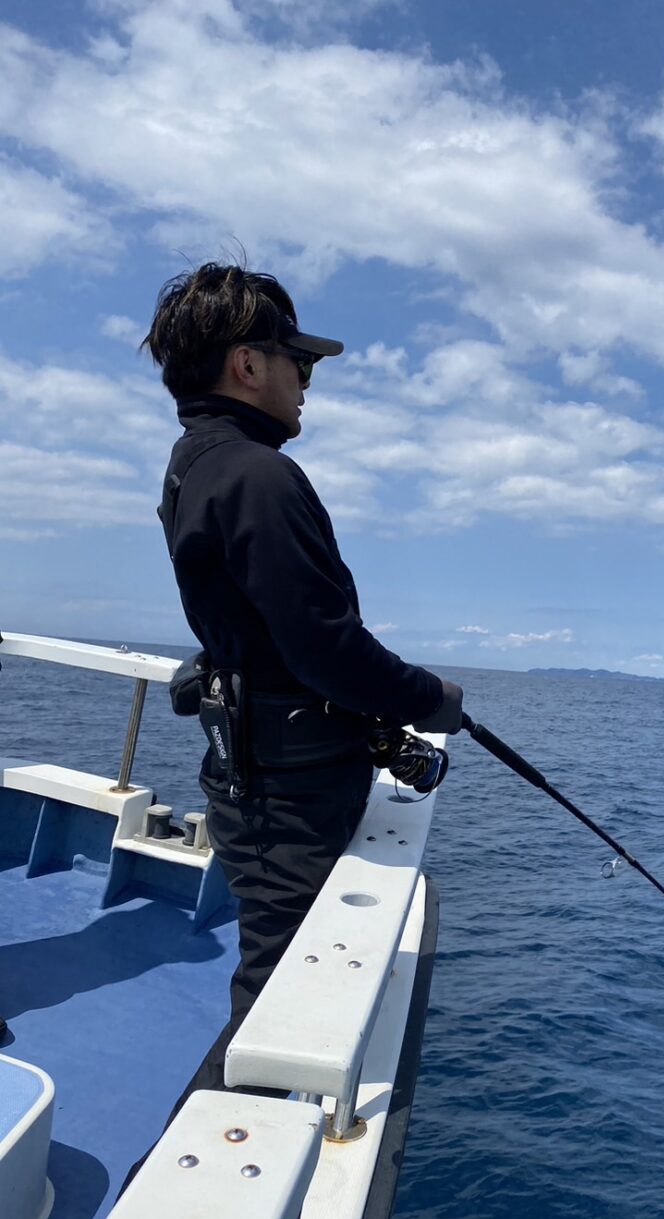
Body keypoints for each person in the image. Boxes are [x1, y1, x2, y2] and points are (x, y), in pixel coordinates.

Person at [137, 261, 462, 1140]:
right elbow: (326, 648)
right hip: (289, 796)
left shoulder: (193, 465)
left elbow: (262, 630)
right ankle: (184, 1188)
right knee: (277, 1005)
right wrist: (433, 698)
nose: (307, 380)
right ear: (248, 365)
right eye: (298, 361)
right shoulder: (258, 476)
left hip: (250, 779)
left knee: (273, 980)